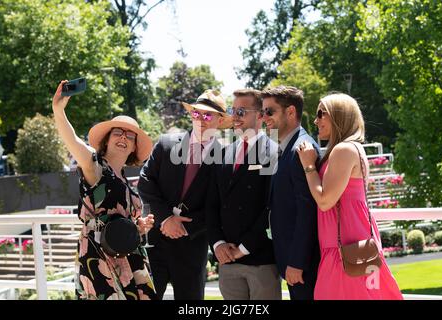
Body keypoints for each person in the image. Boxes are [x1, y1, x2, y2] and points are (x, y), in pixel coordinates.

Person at [51, 80, 157, 300]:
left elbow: (119, 219)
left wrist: (138, 227)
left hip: (130, 255)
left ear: (134, 147)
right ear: (107, 140)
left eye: (130, 136)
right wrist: (58, 111)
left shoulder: (127, 181)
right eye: (118, 132)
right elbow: (71, 141)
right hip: (98, 255)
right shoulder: (95, 166)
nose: (123, 138)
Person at [296, 93, 403, 300]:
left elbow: (325, 201)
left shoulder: (344, 149)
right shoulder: (349, 148)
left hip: (346, 248)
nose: (316, 120)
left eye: (321, 114)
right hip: (351, 245)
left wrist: (308, 165)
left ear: (339, 115)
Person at [137, 89, 232, 300]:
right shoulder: (165, 144)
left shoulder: (226, 156)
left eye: (207, 115)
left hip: (192, 248)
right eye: (196, 113)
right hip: (156, 244)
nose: (201, 120)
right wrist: (167, 219)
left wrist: (184, 227)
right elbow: (145, 182)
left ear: (220, 119)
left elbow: (221, 203)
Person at [206, 89, 281, 300]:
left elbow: (271, 207)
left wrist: (243, 248)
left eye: (241, 111)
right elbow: (212, 203)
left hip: (260, 260)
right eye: (233, 110)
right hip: (227, 260)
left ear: (260, 115)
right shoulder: (223, 153)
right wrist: (218, 244)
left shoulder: (274, 153)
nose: (235, 116)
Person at [261, 85, 321, 300]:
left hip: (304, 267)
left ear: (291, 112)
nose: (264, 117)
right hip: (294, 264)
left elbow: (309, 211)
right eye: (262, 112)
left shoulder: (301, 149)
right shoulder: (287, 148)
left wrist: (297, 262)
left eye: (269, 111)